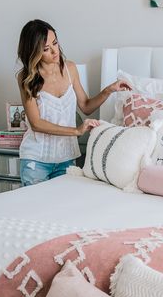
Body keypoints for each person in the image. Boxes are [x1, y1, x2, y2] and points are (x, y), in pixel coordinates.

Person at [16, 19, 130, 186]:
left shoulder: (70, 69)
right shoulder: (26, 78)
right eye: (46, 49)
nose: (55, 51)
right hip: (36, 160)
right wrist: (76, 130)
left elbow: (86, 106)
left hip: (66, 158)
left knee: (63, 211)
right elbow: (36, 123)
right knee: (37, 210)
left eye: (55, 43)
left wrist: (109, 90)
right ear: (34, 53)